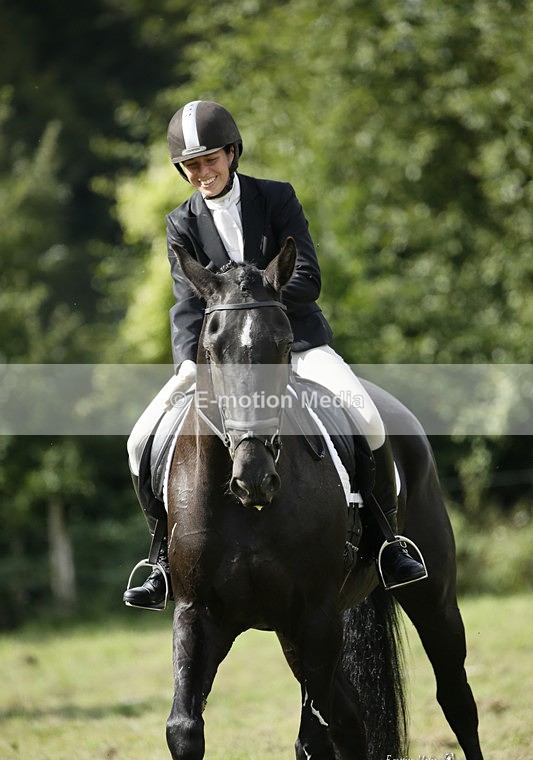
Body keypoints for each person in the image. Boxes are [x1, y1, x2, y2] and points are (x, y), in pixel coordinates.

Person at [123, 100, 427, 609]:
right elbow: (185, 304)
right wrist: (187, 365)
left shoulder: (276, 197)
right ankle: (160, 560)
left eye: (210, 160)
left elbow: (307, 277)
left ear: (232, 153)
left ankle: (386, 542)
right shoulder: (180, 223)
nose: (202, 172)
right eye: (191, 165)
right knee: (139, 442)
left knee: (368, 418)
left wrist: (253, 296)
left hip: (294, 344)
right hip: (220, 359)